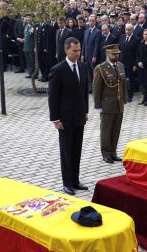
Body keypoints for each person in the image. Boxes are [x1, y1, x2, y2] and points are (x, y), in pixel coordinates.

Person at [48, 37, 89, 195]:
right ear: (66, 50)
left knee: (77, 150)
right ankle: (67, 183)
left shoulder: (83, 67)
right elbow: (53, 96)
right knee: (66, 151)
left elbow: (84, 91)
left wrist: (85, 111)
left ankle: (75, 180)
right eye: (74, 51)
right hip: (64, 119)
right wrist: (55, 118)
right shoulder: (58, 70)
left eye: (79, 50)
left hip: (79, 117)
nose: (78, 53)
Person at [93, 44, 127, 164]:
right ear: (108, 54)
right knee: (106, 130)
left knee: (116, 129)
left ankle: (113, 152)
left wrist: (124, 99)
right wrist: (97, 106)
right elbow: (96, 89)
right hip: (107, 105)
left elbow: (123, 84)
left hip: (119, 104)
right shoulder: (100, 68)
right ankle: (106, 153)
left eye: (117, 54)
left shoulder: (121, 65)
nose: (116, 56)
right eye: (113, 54)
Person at [119, 23, 139, 102]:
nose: (127, 31)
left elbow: (137, 53)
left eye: (129, 30)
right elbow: (120, 49)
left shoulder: (136, 39)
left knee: (131, 80)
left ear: (132, 30)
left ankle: (130, 95)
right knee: (122, 79)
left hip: (131, 63)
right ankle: (122, 94)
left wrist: (135, 64)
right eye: (126, 29)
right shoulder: (122, 37)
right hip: (122, 62)